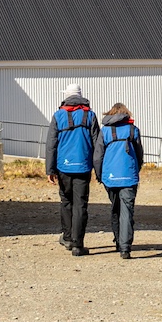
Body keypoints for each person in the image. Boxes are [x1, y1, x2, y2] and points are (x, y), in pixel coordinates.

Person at [47, 84, 100, 255]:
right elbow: (97, 144)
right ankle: (78, 245)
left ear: (66, 97)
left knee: (66, 201)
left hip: (63, 166)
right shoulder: (90, 116)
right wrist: (99, 169)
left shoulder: (58, 116)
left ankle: (68, 238)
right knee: (80, 205)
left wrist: (50, 169)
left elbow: (51, 145)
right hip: (83, 166)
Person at [93, 101, 143, 260]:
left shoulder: (105, 131)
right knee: (127, 211)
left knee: (115, 208)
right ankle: (125, 247)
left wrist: (100, 175)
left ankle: (118, 241)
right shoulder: (133, 130)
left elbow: (97, 156)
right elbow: (139, 154)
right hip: (129, 177)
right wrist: (136, 169)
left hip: (110, 177)